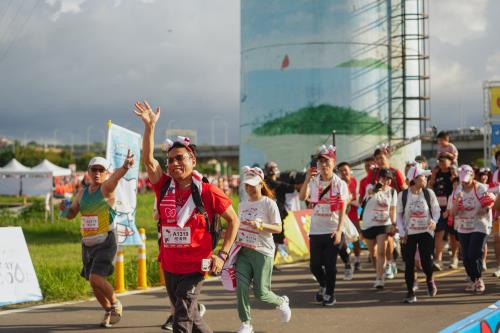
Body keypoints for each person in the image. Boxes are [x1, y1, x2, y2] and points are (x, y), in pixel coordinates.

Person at [134, 100, 240, 333]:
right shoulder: (163, 186)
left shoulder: (208, 191)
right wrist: (150, 127)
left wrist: (222, 254)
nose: (174, 164)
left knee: (181, 320)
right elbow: (148, 160)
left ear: (193, 160)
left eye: (180, 158)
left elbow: (233, 220)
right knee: (191, 317)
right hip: (170, 264)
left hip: (195, 267)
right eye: (170, 160)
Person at [60, 154, 134, 327]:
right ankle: (108, 311)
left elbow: (116, 178)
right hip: (87, 243)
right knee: (94, 284)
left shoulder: (106, 188)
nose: (97, 173)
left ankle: (116, 303)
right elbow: (72, 214)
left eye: (102, 170)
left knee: (95, 278)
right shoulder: (82, 192)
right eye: (94, 169)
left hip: (106, 241)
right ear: (88, 171)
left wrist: (125, 167)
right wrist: (64, 210)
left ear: (106, 173)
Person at [234, 166, 292, 333]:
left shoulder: (269, 203)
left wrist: (260, 225)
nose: (249, 188)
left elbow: (278, 228)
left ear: (261, 184)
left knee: (261, 293)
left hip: (263, 251)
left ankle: (281, 301)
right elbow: (239, 227)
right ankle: (246, 324)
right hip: (244, 251)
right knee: (241, 288)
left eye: (253, 184)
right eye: (247, 185)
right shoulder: (242, 204)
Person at [299, 145, 349, 306]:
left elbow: (342, 208)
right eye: (321, 162)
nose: (324, 165)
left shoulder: (339, 184)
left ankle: (330, 294)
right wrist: (307, 178)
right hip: (316, 230)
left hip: (332, 229)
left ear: (333, 163)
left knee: (330, 265)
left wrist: (340, 230)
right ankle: (323, 284)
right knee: (314, 266)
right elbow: (302, 197)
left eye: (327, 161)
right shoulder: (314, 181)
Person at [397, 165, 440, 303]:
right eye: (423, 176)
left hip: (426, 232)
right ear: (414, 179)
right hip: (409, 234)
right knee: (409, 263)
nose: (426, 179)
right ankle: (410, 292)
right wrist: (402, 231)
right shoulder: (403, 195)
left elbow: (436, 210)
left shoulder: (429, 193)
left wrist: (434, 220)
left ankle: (429, 279)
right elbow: (398, 215)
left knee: (427, 262)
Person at [450, 165, 495, 293]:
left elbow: (489, 203)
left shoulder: (480, 188)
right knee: (465, 257)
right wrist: (457, 200)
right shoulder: (457, 190)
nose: (465, 182)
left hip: (480, 224)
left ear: (473, 176)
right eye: (462, 179)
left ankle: (478, 279)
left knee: (474, 252)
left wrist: (485, 208)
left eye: (467, 179)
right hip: (463, 226)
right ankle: (473, 278)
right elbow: (453, 213)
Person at [367, 145, 407, 280]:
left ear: (387, 157)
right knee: (378, 246)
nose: (379, 160)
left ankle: (390, 263)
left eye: (381, 158)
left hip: (394, 208)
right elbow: (369, 190)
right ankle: (386, 265)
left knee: (388, 238)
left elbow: (404, 189)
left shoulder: (395, 172)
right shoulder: (373, 173)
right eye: (376, 158)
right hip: (375, 212)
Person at [360, 168, 397, 289]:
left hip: (384, 224)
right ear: (378, 178)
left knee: (381, 252)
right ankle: (378, 271)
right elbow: (370, 192)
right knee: (373, 254)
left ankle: (379, 278)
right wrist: (377, 188)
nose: (386, 181)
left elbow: (392, 209)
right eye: (383, 178)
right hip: (369, 225)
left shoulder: (392, 192)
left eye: (388, 179)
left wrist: (393, 223)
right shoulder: (370, 186)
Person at [263, 161, 299, 268]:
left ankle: (271, 262)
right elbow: (279, 185)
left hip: (279, 215)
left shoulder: (279, 181)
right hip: (266, 216)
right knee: (268, 239)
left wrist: (292, 177)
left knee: (277, 240)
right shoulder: (265, 182)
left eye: (274, 167)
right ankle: (266, 262)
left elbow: (291, 188)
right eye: (270, 168)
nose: (272, 170)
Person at [428, 153, 457, 271]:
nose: (441, 163)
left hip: (451, 207)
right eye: (439, 161)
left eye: (444, 160)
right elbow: (430, 186)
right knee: (438, 234)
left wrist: (454, 175)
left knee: (453, 235)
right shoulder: (436, 173)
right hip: (438, 208)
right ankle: (438, 259)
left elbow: (457, 188)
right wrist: (433, 175)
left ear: (450, 161)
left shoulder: (453, 174)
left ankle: (454, 257)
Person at [337, 162, 361, 274]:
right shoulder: (338, 182)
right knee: (343, 240)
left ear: (350, 169)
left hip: (352, 213)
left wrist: (349, 199)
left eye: (345, 169)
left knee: (356, 237)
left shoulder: (355, 181)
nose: (343, 172)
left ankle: (357, 259)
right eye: (341, 170)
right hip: (341, 215)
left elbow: (356, 197)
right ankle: (347, 261)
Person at [489, 151, 500, 277]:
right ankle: (499, 266)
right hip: (498, 213)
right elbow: (490, 191)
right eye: (499, 160)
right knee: (497, 240)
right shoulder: (495, 175)